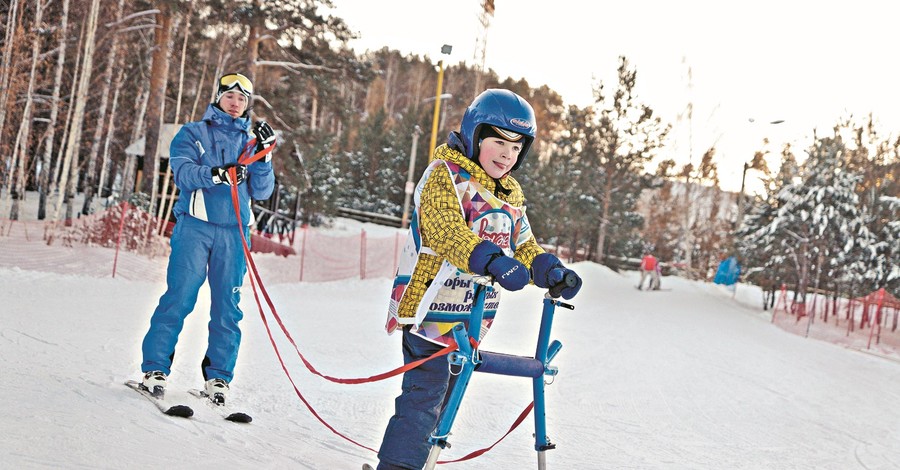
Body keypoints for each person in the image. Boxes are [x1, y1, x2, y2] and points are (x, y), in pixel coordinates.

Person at [376, 89, 583, 470]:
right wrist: (490, 261)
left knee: (445, 402)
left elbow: (523, 243)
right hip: (430, 311)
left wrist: (548, 269)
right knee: (424, 399)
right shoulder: (445, 176)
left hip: (471, 320)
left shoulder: (509, 193)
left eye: (517, 147)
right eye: (499, 142)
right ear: (475, 136)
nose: (508, 155)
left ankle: (418, 462)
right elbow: (445, 230)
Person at [138, 73, 276, 404]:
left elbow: (262, 190)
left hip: (234, 233)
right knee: (180, 297)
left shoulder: (250, 142)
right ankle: (155, 369)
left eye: (242, 99)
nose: (235, 102)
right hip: (196, 226)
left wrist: (265, 158)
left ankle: (218, 378)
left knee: (228, 308)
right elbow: (183, 174)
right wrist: (215, 175)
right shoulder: (193, 133)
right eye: (229, 96)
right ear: (217, 98)